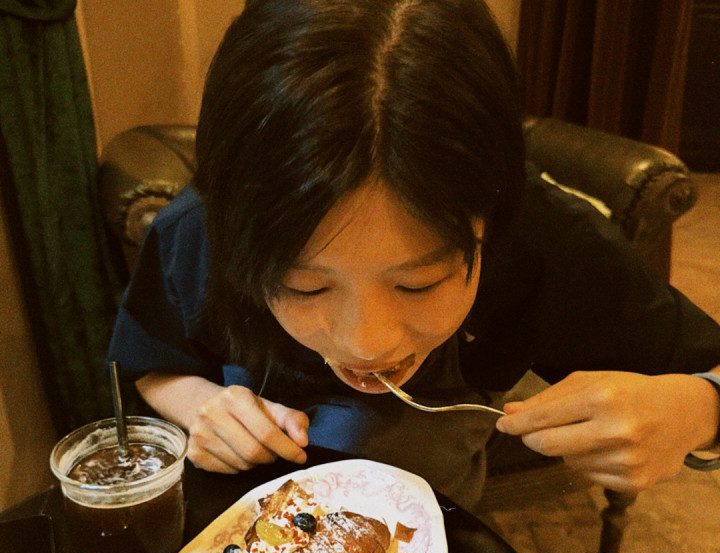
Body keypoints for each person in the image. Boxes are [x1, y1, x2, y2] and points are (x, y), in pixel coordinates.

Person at [108, 0, 720, 516]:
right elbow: (151, 363)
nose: (366, 343)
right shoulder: (204, 228)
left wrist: (698, 411)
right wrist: (200, 405)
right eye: (304, 287)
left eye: (419, 284)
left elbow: (706, 369)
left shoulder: (540, 234)